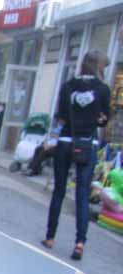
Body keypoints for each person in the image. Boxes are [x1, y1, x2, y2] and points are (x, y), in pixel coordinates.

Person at [42, 50, 111, 261]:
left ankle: (50, 237)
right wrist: (94, 120)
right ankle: (80, 243)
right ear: (99, 66)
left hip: (65, 142)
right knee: (82, 195)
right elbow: (104, 119)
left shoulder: (67, 86)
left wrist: (53, 137)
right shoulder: (103, 90)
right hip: (87, 145)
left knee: (59, 191)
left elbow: (61, 118)